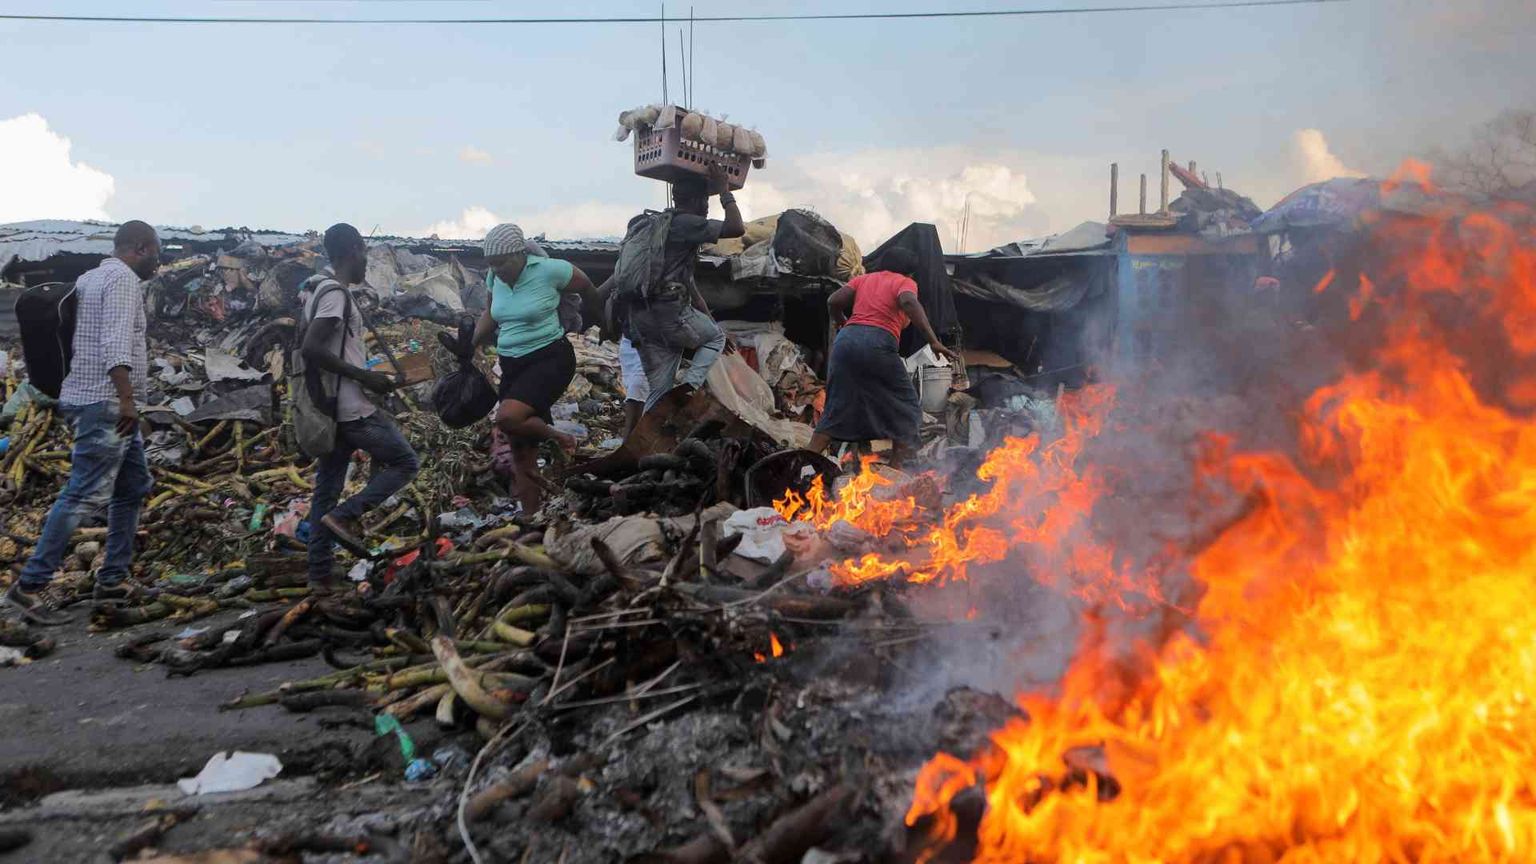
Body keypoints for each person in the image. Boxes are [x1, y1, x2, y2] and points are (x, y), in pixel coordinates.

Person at [4, 222, 162, 625]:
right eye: (157, 253)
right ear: (142, 248)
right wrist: (127, 400)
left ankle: (113, 579)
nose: (158, 262)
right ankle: (29, 586)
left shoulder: (91, 277)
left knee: (133, 485)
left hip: (87, 396)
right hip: (106, 402)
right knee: (83, 494)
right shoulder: (122, 280)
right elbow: (115, 343)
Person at [302, 223, 420, 588]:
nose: (367, 261)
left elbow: (328, 348)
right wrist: (364, 377)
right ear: (353, 250)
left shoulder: (316, 289)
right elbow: (312, 348)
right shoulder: (335, 295)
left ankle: (319, 574)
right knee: (405, 462)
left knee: (326, 490)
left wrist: (370, 373)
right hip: (351, 408)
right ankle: (346, 516)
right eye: (365, 253)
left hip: (330, 407)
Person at [472, 223, 599, 514]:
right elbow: (490, 313)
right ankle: (532, 517)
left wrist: (600, 321)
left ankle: (561, 437)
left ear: (519, 255)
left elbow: (588, 287)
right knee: (522, 450)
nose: (496, 269)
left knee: (508, 417)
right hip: (512, 364)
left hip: (549, 358)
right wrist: (471, 343)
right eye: (491, 264)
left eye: (501, 262)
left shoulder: (549, 270)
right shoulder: (495, 277)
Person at [807, 248, 960, 463]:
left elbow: (833, 301)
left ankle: (802, 464)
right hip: (877, 342)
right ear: (910, 272)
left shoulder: (863, 279)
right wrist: (933, 341)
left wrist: (842, 321)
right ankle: (896, 470)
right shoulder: (904, 282)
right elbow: (908, 302)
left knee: (836, 406)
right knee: (907, 406)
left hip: (845, 342)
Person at [627, 165, 745, 412]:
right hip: (667, 311)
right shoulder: (685, 223)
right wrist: (724, 190)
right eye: (706, 201)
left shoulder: (655, 226)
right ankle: (688, 389)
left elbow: (691, 286)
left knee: (658, 391)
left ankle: (648, 435)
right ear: (698, 200)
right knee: (716, 338)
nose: (707, 207)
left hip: (639, 316)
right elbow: (736, 227)